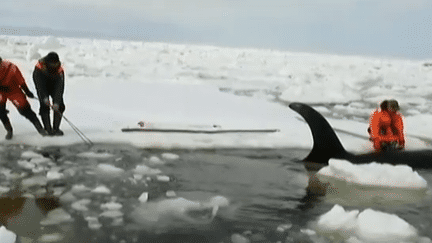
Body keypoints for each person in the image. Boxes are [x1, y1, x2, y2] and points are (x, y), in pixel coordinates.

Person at [0, 56, 47, 140]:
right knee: (0, 112)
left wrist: (27, 91)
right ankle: (9, 131)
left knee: (25, 110)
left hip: (13, 90)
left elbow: (20, 80)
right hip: (0, 92)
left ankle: (40, 129)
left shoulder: (11, 67)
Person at [33, 52, 65, 136]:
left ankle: (56, 128)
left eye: (56, 63)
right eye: (52, 64)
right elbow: (40, 86)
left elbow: (60, 87)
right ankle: (48, 129)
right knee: (45, 106)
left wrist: (56, 103)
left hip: (54, 85)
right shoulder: (39, 69)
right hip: (43, 85)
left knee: (60, 106)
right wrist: (44, 98)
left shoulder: (60, 70)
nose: (54, 65)